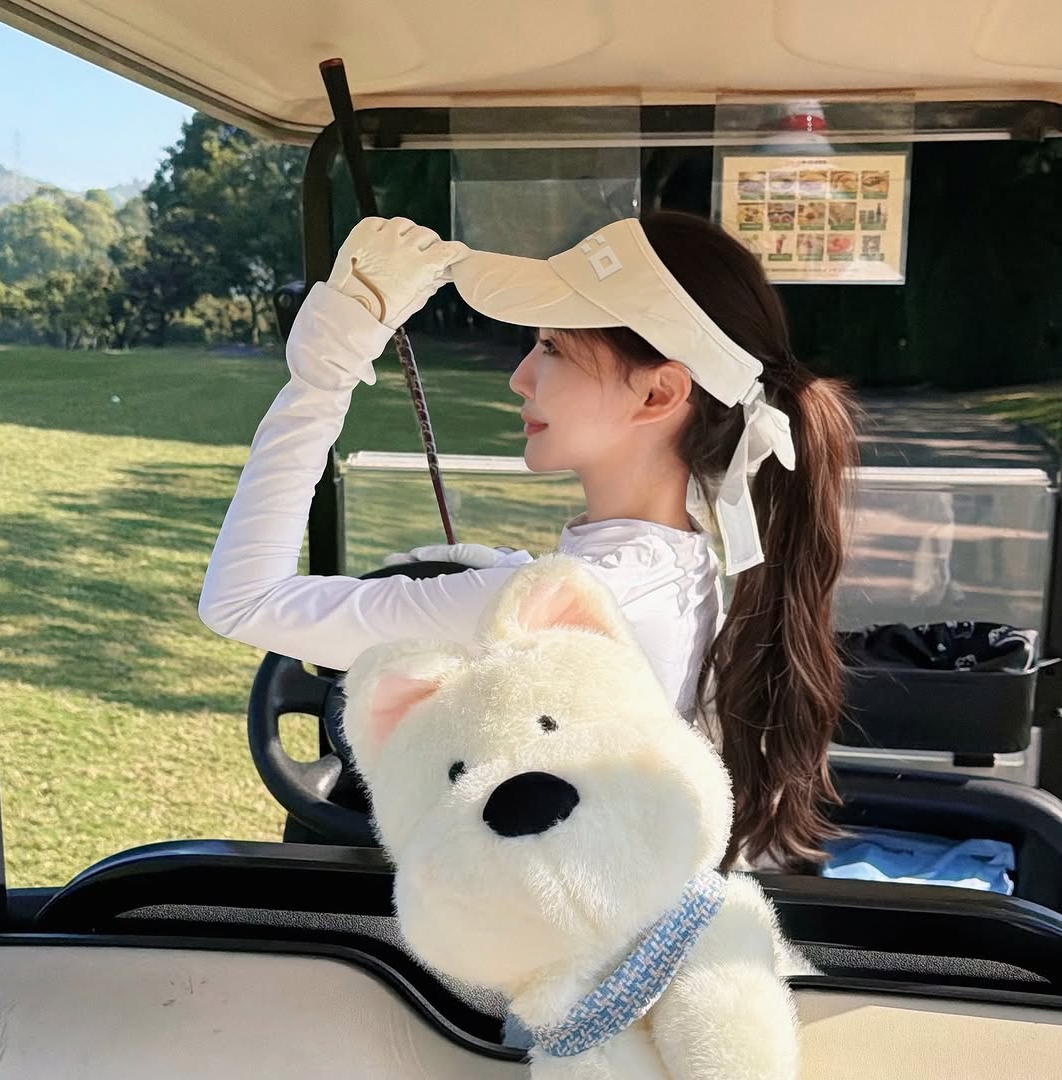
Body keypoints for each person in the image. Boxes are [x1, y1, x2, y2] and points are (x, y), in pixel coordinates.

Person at [199, 211, 859, 872]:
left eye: (552, 347)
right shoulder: (687, 563)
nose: (519, 376)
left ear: (659, 393)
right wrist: (504, 569)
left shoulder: (555, 601)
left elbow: (242, 600)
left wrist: (322, 374)